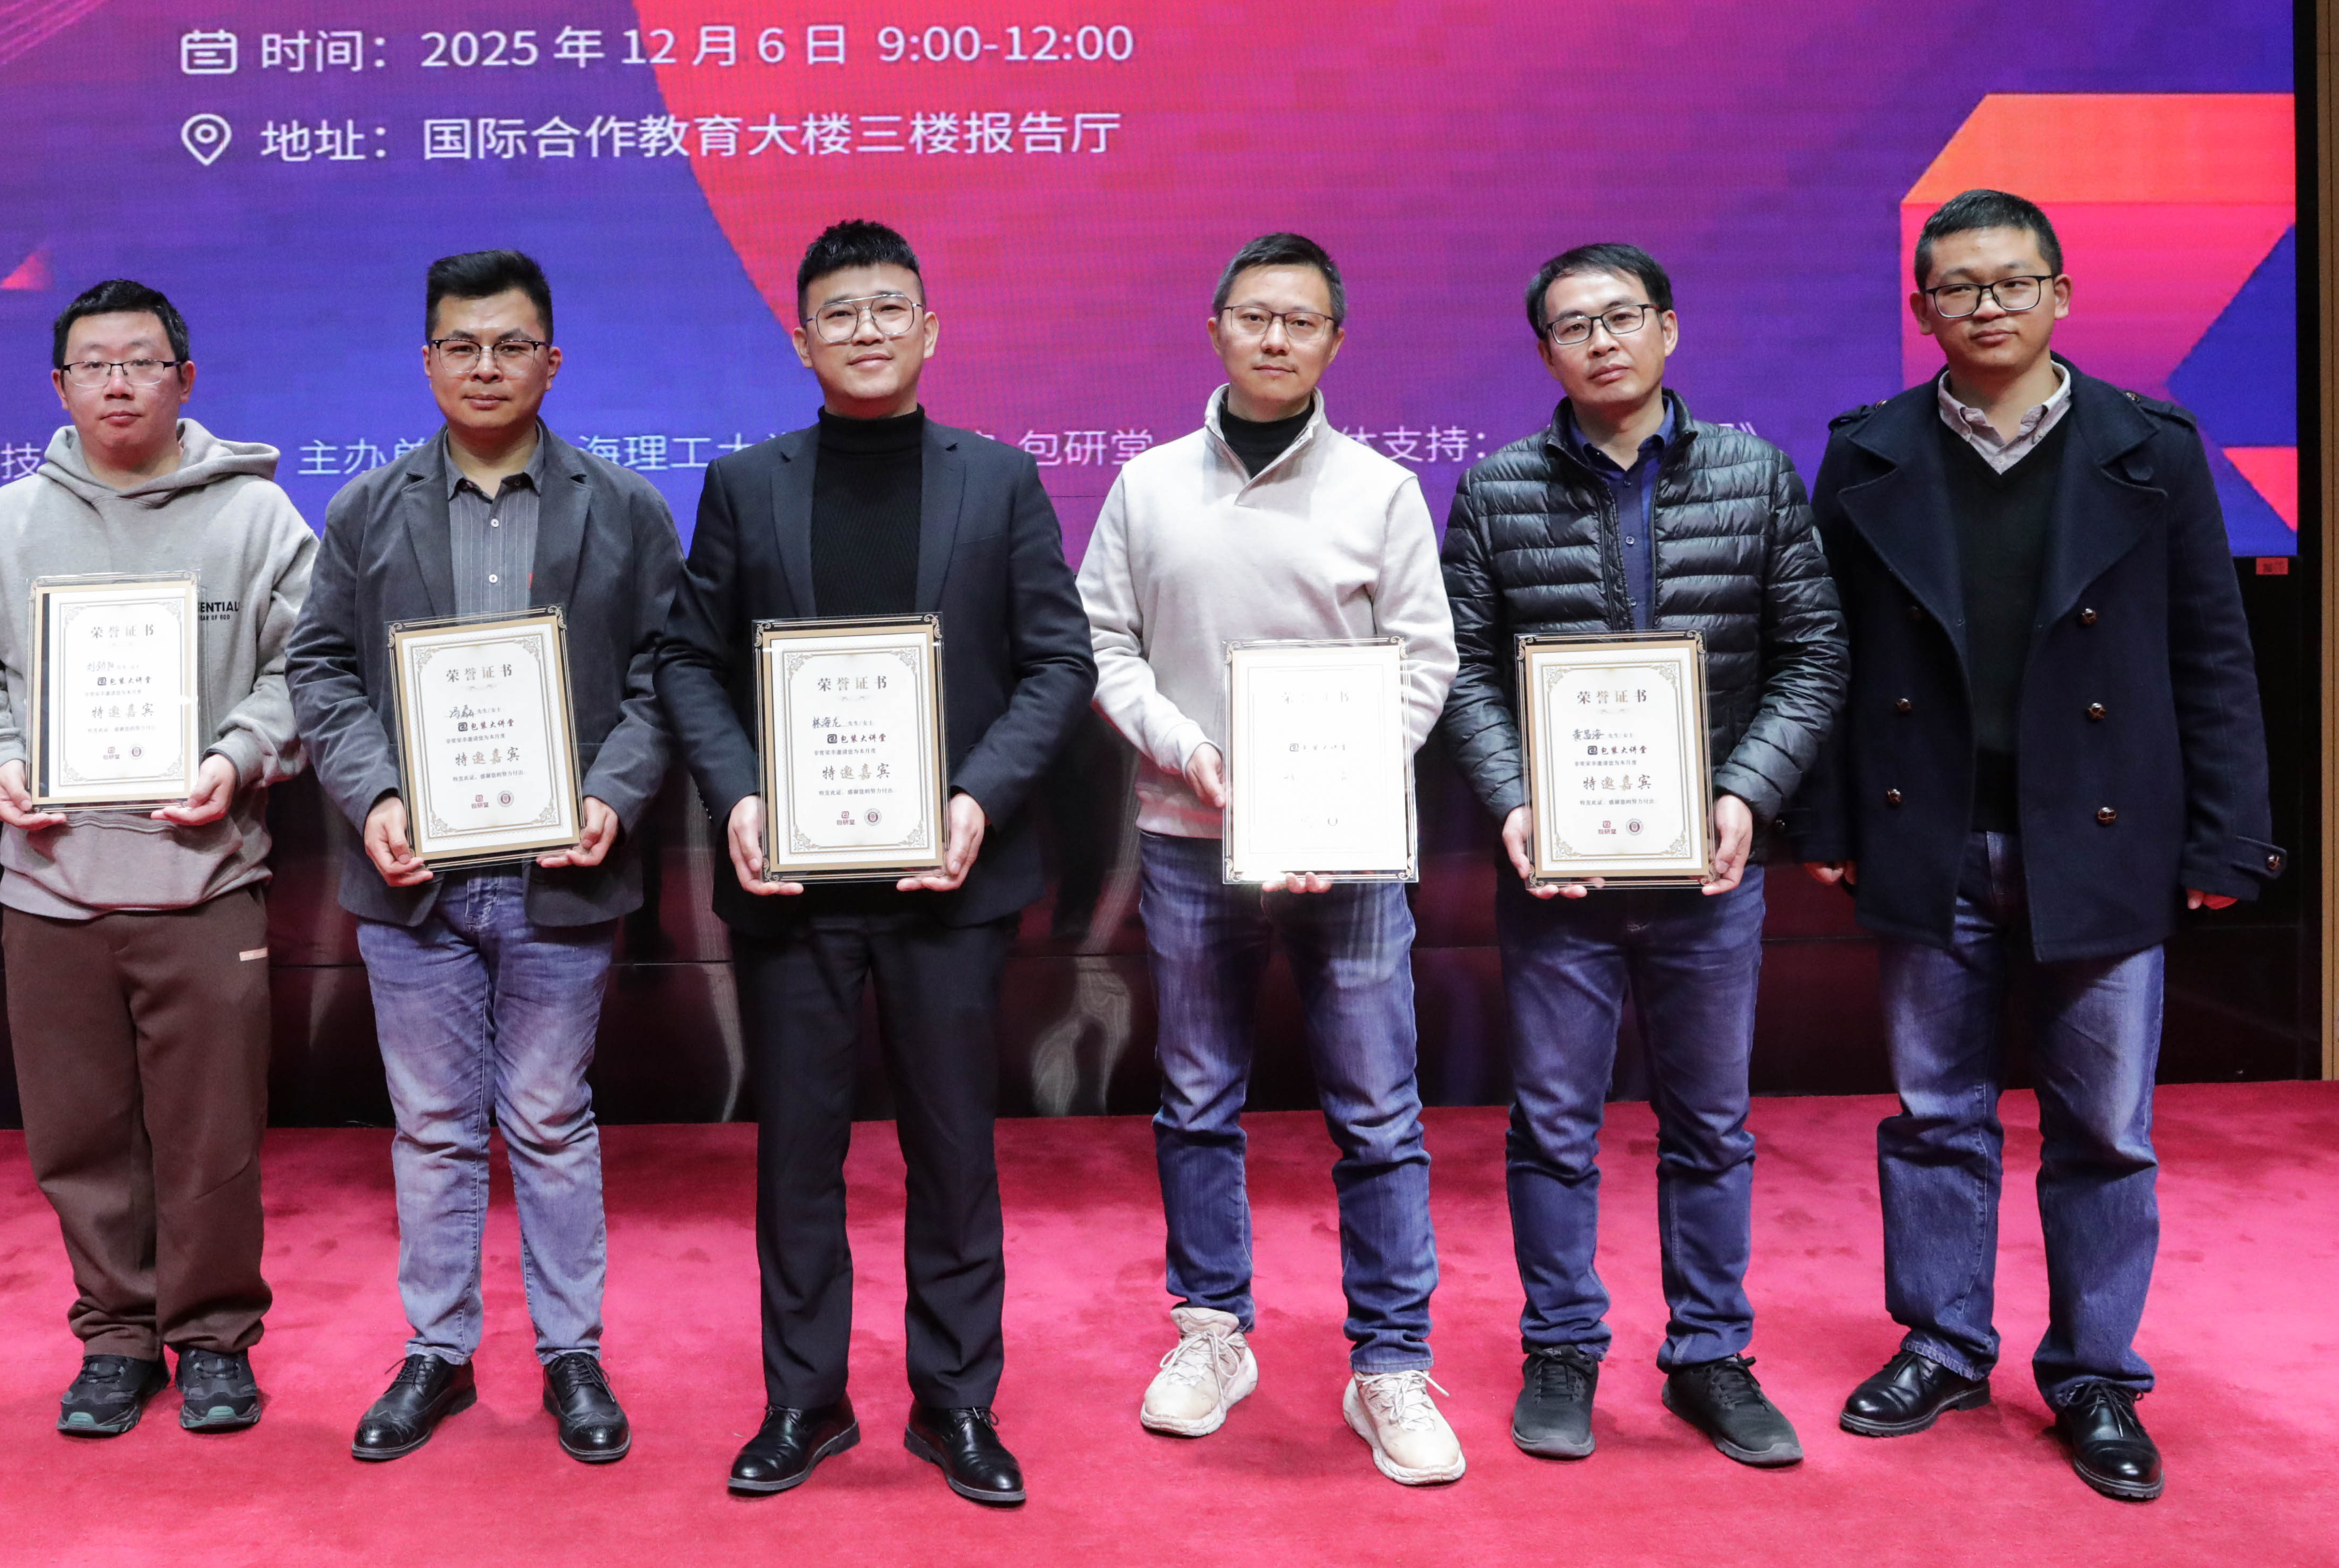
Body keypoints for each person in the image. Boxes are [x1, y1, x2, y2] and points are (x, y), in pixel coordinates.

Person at [1805, 188, 2281, 1503]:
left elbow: (2211, 654)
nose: (1987, 307)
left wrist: (2228, 837)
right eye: (1958, 288)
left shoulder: (2149, 447)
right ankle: (1943, 1344)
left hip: (2104, 835)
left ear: (2058, 294)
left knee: (2104, 1130)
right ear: (1920, 311)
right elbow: (1830, 657)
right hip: (1925, 828)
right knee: (1933, 1117)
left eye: (2011, 282)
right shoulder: (1866, 453)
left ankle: (2093, 1374)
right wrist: (1826, 819)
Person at [655, 219, 1096, 1507]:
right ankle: (805, 1401)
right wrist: (740, 794)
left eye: (888, 308)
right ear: (800, 340)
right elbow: (686, 659)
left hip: (947, 882)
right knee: (796, 1155)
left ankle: (955, 1403)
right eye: (838, 314)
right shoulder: (745, 484)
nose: (865, 331)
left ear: (928, 329)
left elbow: (1057, 662)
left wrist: (974, 800)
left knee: (952, 1153)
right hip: (790, 888)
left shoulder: (997, 480)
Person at [1437, 241, 1843, 1468]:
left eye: (1620, 317)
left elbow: (1812, 654)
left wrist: (1744, 792)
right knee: (1551, 1127)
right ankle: (1560, 1346)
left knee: (1709, 1127)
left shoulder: (1752, 473)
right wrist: (1513, 801)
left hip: (1706, 871)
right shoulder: (1496, 488)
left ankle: (1709, 1355)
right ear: (1543, 353)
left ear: (1666, 328)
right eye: (1572, 326)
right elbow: (1462, 671)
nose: (1600, 341)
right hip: (1556, 875)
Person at [1074, 233, 1463, 1484]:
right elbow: (1104, 647)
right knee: (1196, 1099)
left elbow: (1426, 661)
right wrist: (1189, 751)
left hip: (1349, 857)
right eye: (1253, 316)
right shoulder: (1145, 487)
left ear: (1334, 341)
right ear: (1215, 330)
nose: (1275, 338)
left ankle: (1390, 1363)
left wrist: (1330, 796)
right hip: (1190, 840)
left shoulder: (1380, 492)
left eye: (1300, 320)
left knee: (1378, 1113)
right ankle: (1211, 1332)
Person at [286, 250, 682, 1467]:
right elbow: (319, 668)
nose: (485, 367)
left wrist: (613, 791)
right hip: (414, 876)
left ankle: (570, 1353)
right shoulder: (366, 509)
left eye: (510, 346)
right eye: (461, 346)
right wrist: (376, 794)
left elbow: (666, 671)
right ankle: (440, 1350)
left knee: (552, 1119)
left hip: (564, 871)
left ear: (551, 361)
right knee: (433, 1125)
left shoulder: (623, 507)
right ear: (427, 362)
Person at [0, 279, 315, 1440]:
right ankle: (115, 1336)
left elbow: (309, 666)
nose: (119, 383)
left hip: (206, 875)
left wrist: (237, 758)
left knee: (211, 1134)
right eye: (94, 365)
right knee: (78, 1134)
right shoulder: (4, 525)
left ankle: (214, 1338)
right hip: (51, 883)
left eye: (142, 361)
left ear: (185, 379)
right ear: (60, 387)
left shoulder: (258, 520)